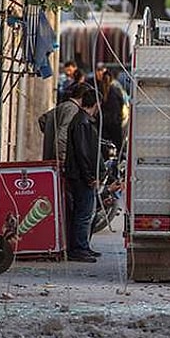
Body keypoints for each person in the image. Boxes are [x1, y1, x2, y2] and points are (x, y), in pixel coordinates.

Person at [63, 88, 101, 263]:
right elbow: (83, 153)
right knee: (83, 213)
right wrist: (90, 177)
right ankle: (79, 248)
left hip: (79, 175)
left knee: (83, 212)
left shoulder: (83, 121)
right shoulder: (83, 123)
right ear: (95, 104)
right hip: (80, 176)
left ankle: (83, 246)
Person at [39, 83, 85, 163]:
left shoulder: (63, 105)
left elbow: (43, 120)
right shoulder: (73, 109)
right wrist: (63, 158)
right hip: (57, 161)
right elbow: (62, 135)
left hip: (50, 158)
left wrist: (51, 132)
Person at [96, 66, 128, 151]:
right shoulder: (116, 90)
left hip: (103, 122)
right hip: (115, 122)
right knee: (118, 145)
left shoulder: (99, 90)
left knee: (103, 145)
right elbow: (123, 102)